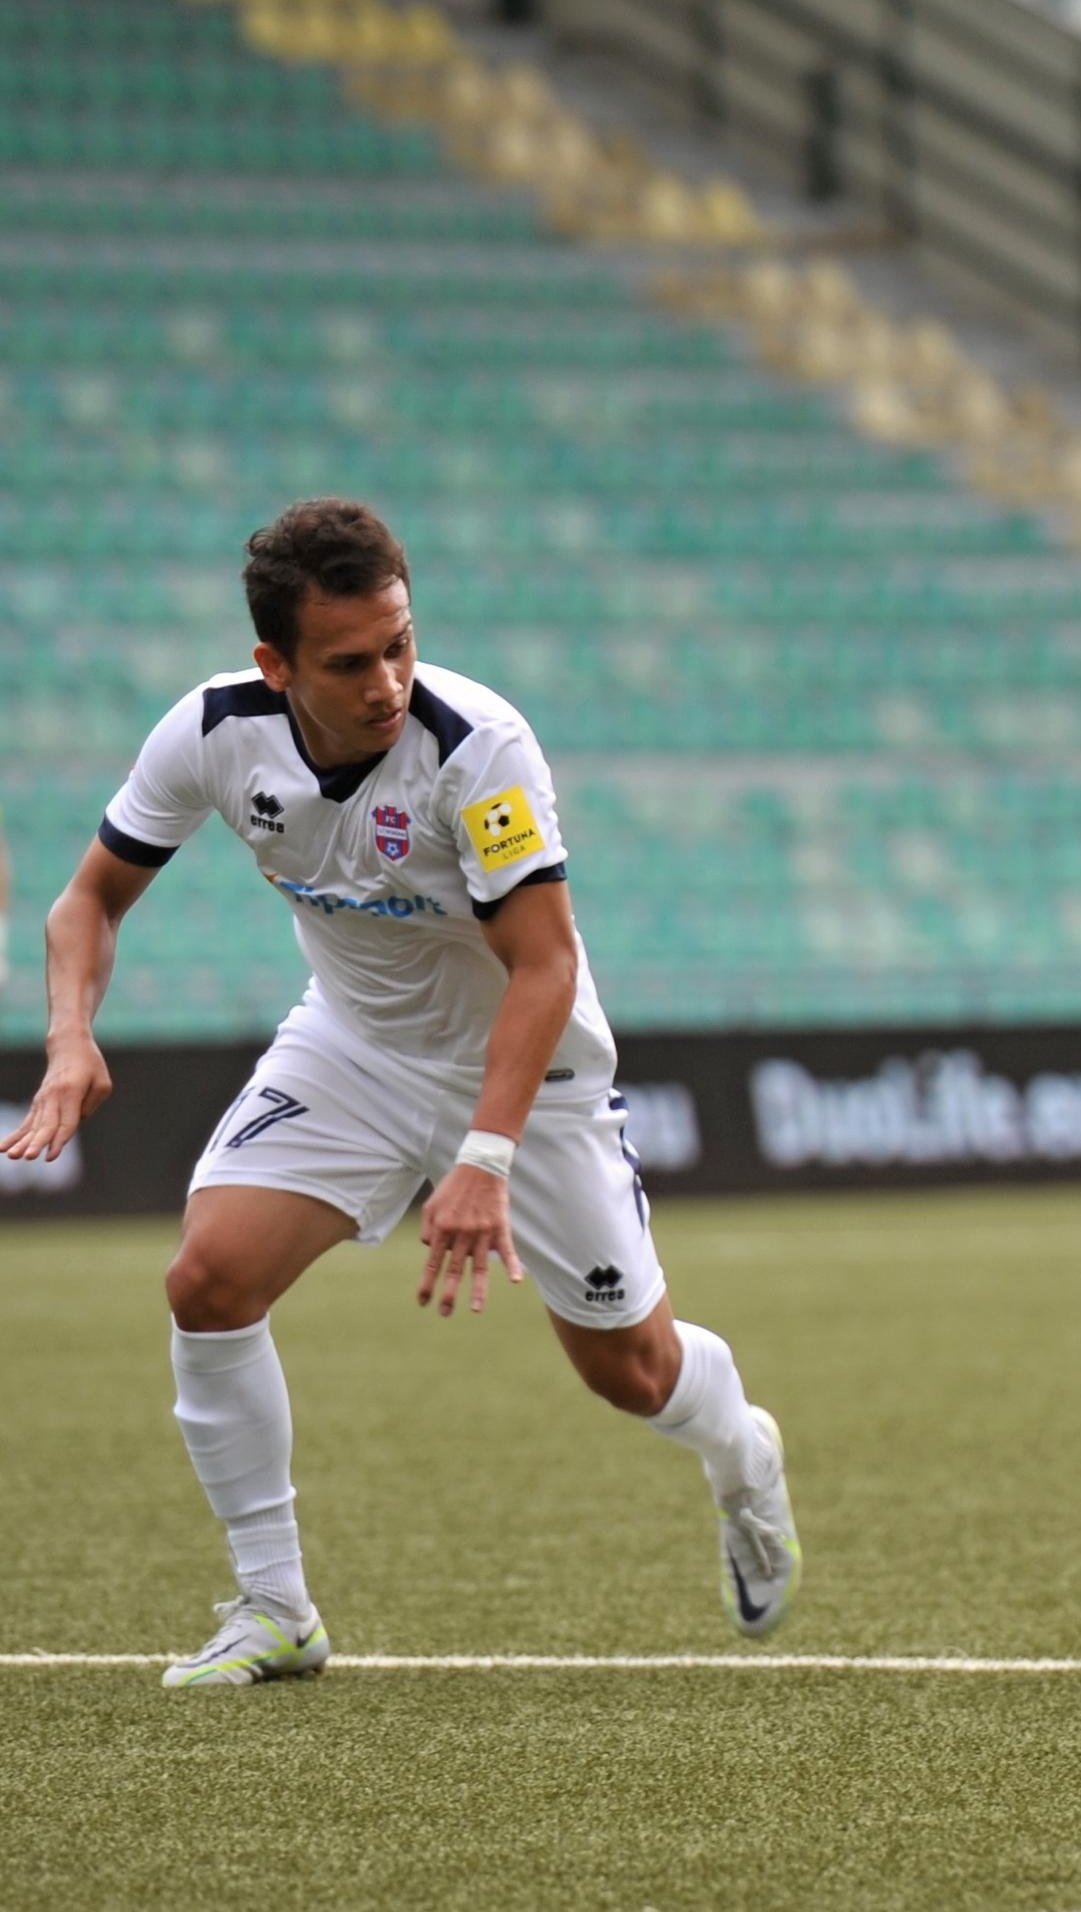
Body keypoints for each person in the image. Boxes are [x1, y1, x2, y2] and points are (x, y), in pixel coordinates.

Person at [1, 498, 801, 1685]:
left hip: (527, 1074)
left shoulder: (478, 750)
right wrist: (71, 1037)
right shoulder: (215, 733)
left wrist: (484, 1156)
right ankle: (276, 1606)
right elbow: (88, 902)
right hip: (355, 1048)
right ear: (275, 666)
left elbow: (545, 962)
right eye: (348, 661)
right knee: (208, 1281)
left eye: (400, 645)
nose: (385, 680)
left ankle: (744, 1453)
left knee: (630, 1373)